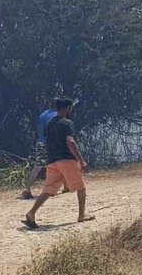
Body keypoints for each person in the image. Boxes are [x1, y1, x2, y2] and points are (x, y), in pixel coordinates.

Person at [22, 97, 94, 229]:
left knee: (48, 190)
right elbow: (70, 142)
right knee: (81, 188)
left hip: (52, 161)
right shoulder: (67, 123)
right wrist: (81, 160)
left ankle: (31, 213)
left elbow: (47, 141)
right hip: (66, 159)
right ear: (67, 109)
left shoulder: (50, 123)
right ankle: (82, 215)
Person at [21, 98, 59, 199]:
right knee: (60, 164)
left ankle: (27, 188)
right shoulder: (57, 115)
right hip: (52, 143)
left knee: (37, 167)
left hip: (41, 142)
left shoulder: (43, 114)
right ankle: (60, 188)